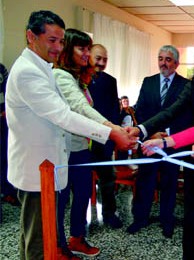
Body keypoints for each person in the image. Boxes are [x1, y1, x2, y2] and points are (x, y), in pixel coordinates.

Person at [5, 10, 133, 259]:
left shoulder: (42, 67)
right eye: (52, 40)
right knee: (38, 243)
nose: (57, 47)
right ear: (31, 36)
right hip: (37, 170)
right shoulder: (28, 72)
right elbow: (65, 115)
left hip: (45, 168)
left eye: (61, 41)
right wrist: (111, 133)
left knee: (34, 236)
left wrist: (112, 129)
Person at [54, 29, 125, 258]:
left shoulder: (78, 78)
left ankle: (77, 238)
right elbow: (81, 109)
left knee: (83, 194)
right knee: (61, 199)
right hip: (64, 152)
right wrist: (113, 130)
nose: (87, 54)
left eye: (88, 49)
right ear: (67, 49)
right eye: (82, 49)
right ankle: (58, 245)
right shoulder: (61, 76)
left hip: (82, 148)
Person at [126, 45, 192, 238]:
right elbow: (140, 110)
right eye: (160, 58)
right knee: (145, 180)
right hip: (149, 142)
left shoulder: (186, 85)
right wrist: (152, 134)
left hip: (171, 143)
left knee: (169, 182)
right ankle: (140, 218)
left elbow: (185, 115)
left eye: (168, 59)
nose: (163, 63)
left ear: (176, 63)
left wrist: (167, 135)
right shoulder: (149, 82)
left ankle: (167, 221)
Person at [87, 44, 124, 229]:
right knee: (80, 183)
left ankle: (109, 214)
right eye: (98, 58)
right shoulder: (77, 79)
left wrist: (113, 137)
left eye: (105, 59)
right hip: (82, 139)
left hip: (104, 139)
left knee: (107, 180)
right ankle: (78, 222)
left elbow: (114, 112)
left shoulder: (110, 81)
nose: (101, 63)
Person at [0, 63, 18, 207]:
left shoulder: (2, 69)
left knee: (5, 157)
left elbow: (7, 89)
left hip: (4, 119)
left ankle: (9, 192)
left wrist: (6, 109)